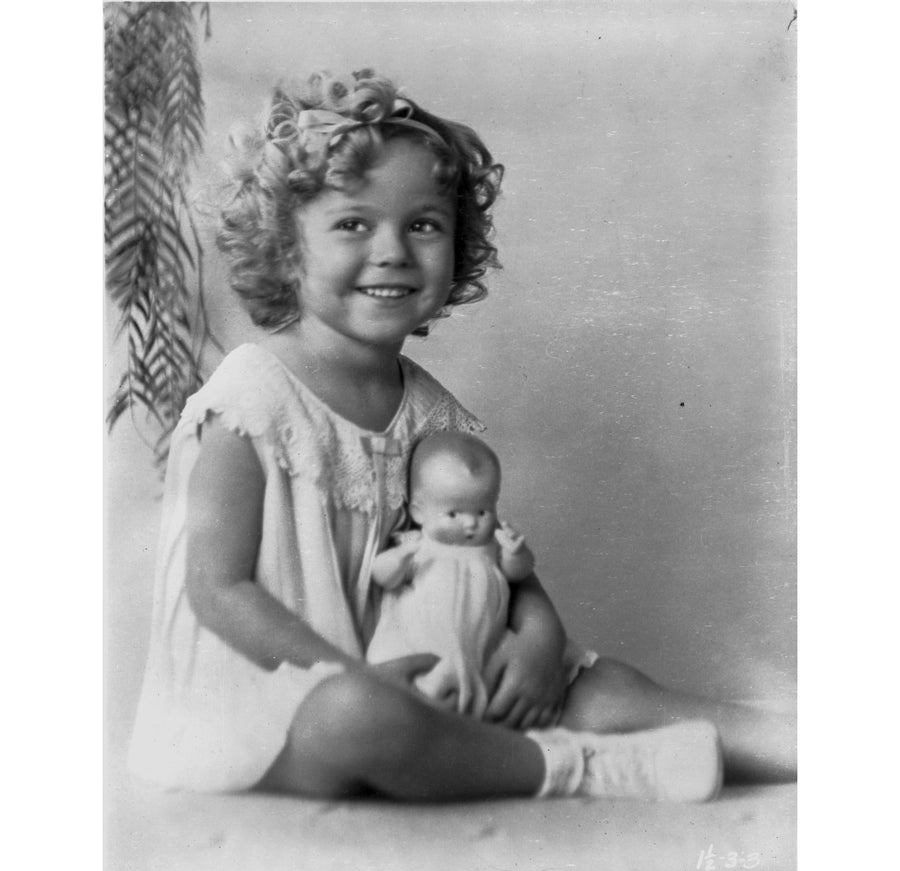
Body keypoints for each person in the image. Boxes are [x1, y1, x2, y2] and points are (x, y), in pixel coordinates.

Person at [127, 69, 795, 803]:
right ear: (286, 249)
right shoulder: (252, 396)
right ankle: (578, 770)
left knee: (600, 685)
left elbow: (491, 547)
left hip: (433, 669)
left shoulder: (429, 413)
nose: (392, 251)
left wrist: (538, 644)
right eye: (353, 223)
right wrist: (349, 675)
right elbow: (216, 589)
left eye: (423, 224)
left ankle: (797, 740)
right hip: (280, 702)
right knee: (361, 720)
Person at [367, 431, 539, 717]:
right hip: (423, 646)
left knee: (488, 689)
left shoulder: (491, 546)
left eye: (483, 511)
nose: (471, 523)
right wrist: (399, 559)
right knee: (426, 689)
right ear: (420, 513)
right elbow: (383, 576)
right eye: (454, 514)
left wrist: (515, 554)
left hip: (480, 644)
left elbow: (516, 573)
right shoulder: (418, 545)